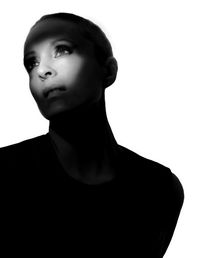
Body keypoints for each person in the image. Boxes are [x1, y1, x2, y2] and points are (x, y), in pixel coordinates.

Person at [0, 12, 184, 257]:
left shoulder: (159, 189)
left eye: (62, 50)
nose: (42, 70)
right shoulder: (3, 174)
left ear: (107, 71)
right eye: (31, 63)